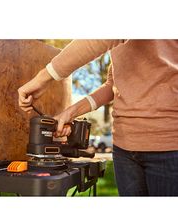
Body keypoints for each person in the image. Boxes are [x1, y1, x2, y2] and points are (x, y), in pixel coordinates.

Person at [18, 40, 178, 196]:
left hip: (166, 145)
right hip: (124, 148)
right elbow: (112, 85)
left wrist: (42, 78)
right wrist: (71, 112)